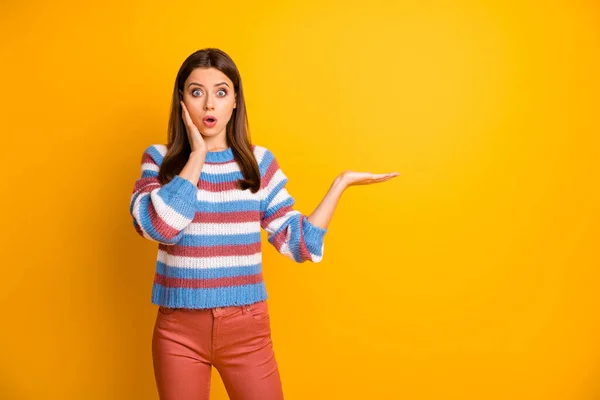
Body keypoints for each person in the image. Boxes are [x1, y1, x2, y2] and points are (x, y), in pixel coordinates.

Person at [129, 48, 399, 400]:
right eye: (197, 92)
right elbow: (159, 227)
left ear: (236, 101)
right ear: (181, 100)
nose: (209, 104)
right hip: (179, 330)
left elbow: (298, 243)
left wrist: (340, 185)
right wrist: (196, 157)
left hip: (247, 330)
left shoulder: (257, 163)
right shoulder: (159, 160)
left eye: (221, 92)